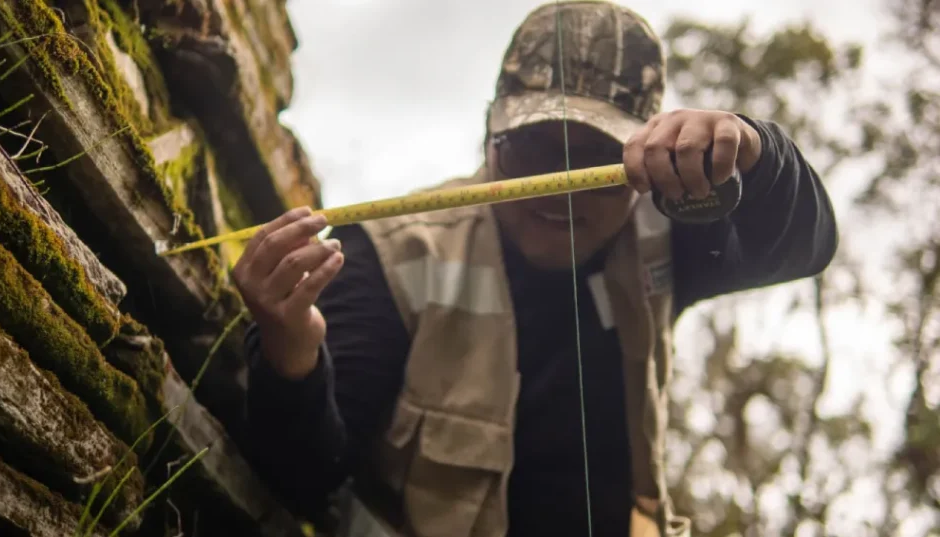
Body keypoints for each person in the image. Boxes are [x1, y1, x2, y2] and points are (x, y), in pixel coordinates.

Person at [233, 1, 838, 536]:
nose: (562, 189)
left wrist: (756, 151)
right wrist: (291, 357)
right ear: (489, 136)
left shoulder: (666, 232)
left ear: (646, 164)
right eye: (532, 149)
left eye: (597, 161)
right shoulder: (390, 256)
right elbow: (302, 480)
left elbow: (805, 248)